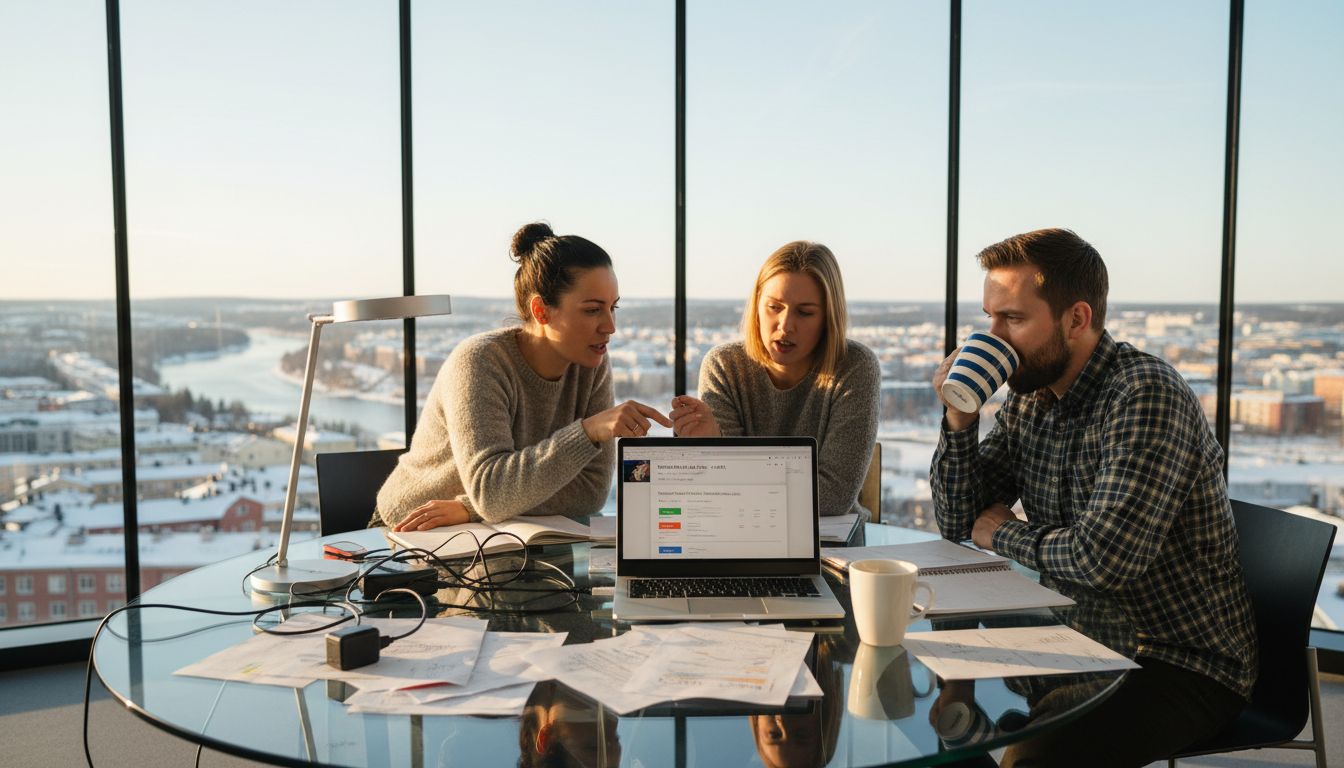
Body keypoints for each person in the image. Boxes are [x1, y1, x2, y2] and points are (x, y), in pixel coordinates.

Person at [929, 228, 1256, 767]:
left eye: (1012, 319)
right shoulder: (1030, 398)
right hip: (1074, 635)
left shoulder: (1144, 394)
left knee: (1035, 758)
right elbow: (959, 518)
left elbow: (1105, 561)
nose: (993, 336)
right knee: (939, 719)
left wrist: (1002, 533)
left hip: (1174, 658)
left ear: (1076, 319)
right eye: (989, 318)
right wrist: (960, 419)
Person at [374, 222, 671, 531]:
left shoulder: (592, 363)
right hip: (409, 529)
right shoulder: (481, 362)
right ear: (541, 310)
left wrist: (469, 508)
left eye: (613, 308)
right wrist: (587, 432)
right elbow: (491, 493)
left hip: (497, 530)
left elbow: (591, 492)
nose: (610, 326)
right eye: (593, 310)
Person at [670, 241, 880, 517]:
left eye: (805, 312)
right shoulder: (724, 365)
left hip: (833, 546)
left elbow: (832, 498)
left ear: (829, 317)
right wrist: (711, 443)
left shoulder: (855, 366)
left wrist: (727, 457)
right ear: (756, 306)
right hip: (737, 532)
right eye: (774, 307)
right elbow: (718, 490)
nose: (785, 325)